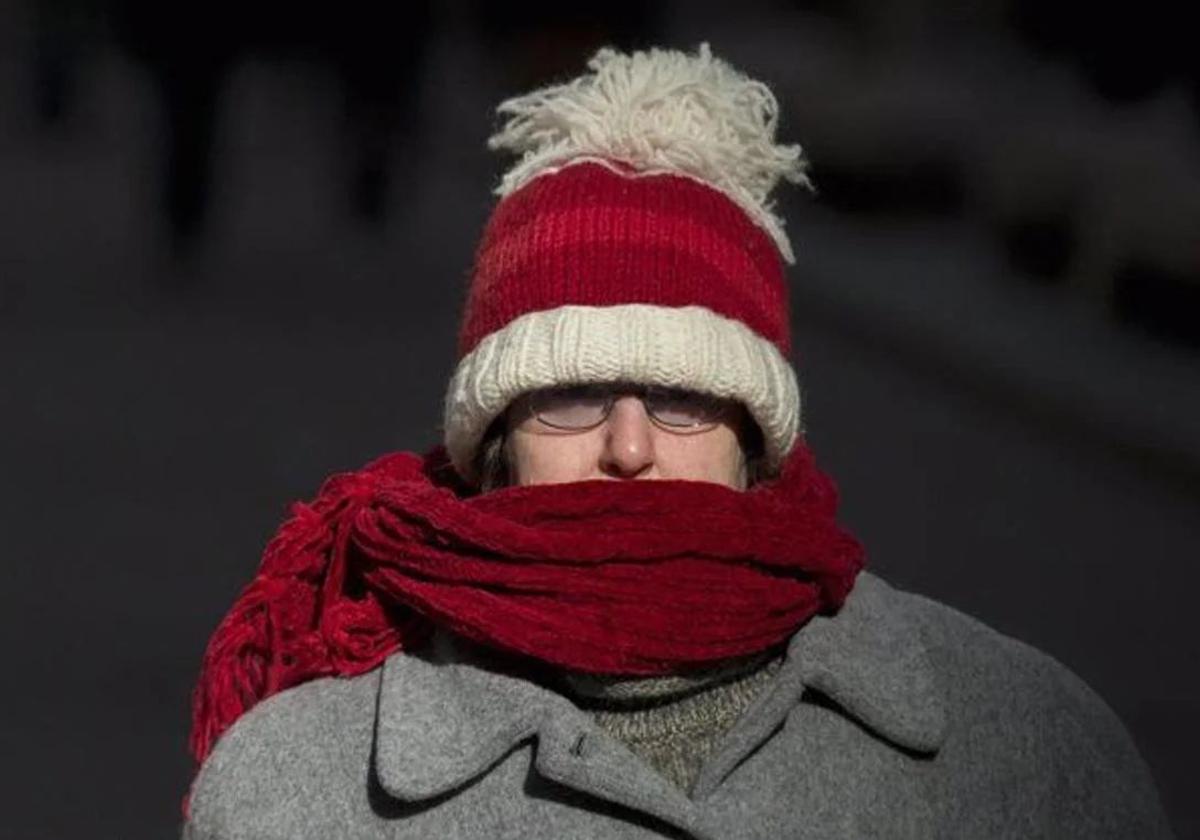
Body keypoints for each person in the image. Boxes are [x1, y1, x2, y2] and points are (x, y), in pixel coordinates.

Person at [180, 44, 1174, 839]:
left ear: (756, 438)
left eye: (683, 398)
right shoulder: (297, 794)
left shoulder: (1032, 754)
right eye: (567, 395)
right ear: (493, 449)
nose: (628, 446)